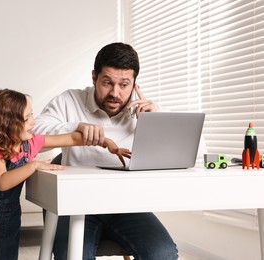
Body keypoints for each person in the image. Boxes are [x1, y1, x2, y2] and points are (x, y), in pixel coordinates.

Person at [0, 88, 129, 260]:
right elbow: (2, 181)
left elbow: (72, 137)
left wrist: (107, 142)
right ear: (7, 124)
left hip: (9, 217)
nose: (33, 121)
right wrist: (33, 165)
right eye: (26, 118)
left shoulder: (30, 143)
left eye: (31, 114)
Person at [34, 42, 178, 260]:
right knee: (71, 256)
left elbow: (195, 151)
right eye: (107, 83)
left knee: (164, 254)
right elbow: (33, 137)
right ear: (94, 78)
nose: (115, 93)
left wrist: (158, 122)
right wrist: (75, 128)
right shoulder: (69, 100)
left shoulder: (147, 112)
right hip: (77, 204)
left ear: (134, 84)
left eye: (124, 85)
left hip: (127, 204)